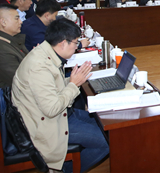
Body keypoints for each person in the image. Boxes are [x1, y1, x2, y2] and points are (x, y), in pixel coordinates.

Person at [12, 19, 109, 173]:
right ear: (63, 43)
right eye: (75, 43)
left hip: (54, 114)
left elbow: (51, 85)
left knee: (105, 125)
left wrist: (73, 80)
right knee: (105, 142)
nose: (76, 47)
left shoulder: (45, 52)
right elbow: (51, 109)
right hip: (46, 124)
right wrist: (73, 84)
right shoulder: (39, 67)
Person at [0, 4, 28, 88]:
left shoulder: (6, 39)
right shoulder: (0, 51)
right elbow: (20, 81)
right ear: (3, 22)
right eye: (17, 18)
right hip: (18, 91)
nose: (20, 22)